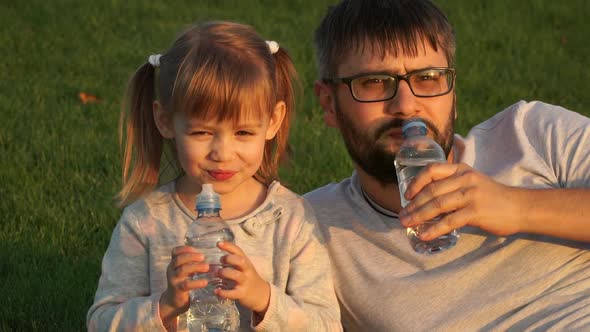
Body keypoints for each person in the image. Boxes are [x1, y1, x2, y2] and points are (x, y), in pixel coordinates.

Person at [305, 0, 590, 330]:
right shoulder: (313, 230)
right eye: (375, 82)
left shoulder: (532, 134)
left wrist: (516, 207)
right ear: (329, 103)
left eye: (428, 78)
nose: (406, 105)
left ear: (452, 95)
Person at [87, 21, 342, 331]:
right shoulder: (146, 222)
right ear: (165, 120)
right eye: (202, 132)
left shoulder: (290, 219)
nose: (222, 152)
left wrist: (263, 299)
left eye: (244, 132)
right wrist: (166, 305)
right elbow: (102, 322)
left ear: (273, 121)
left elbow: (326, 324)